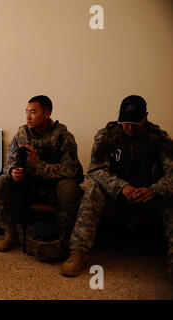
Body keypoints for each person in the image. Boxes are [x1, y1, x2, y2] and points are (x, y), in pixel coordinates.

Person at [61, 95, 172, 281]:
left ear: (146, 116)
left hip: (149, 195)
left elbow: (171, 174)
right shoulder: (108, 134)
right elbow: (95, 168)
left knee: (171, 195)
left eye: (135, 123)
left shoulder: (159, 138)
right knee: (93, 188)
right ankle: (79, 251)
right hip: (117, 195)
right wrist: (121, 187)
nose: (129, 128)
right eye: (125, 122)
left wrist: (155, 190)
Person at [0, 95, 84, 252]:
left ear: (46, 114)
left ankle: (64, 238)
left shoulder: (64, 136)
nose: (28, 117)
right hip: (28, 187)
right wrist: (13, 172)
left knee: (69, 188)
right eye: (26, 112)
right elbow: (9, 163)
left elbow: (71, 170)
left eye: (33, 112)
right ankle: (11, 233)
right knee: (0, 182)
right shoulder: (21, 135)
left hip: (53, 188)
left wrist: (38, 166)